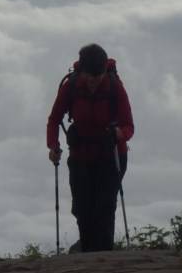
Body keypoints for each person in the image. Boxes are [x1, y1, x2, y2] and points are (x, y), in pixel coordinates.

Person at [46, 43, 134, 252]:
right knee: (82, 208)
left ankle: (103, 254)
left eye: (99, 77)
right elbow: (54, 119)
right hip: (81, 156)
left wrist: (118, 134)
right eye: (90, 77)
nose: (94, 82)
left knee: (105, 207)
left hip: (111, 156)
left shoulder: (115, 87)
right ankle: (89, 251)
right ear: (82, 72)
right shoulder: (71, 87)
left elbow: (129, 126)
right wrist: (53, 146)